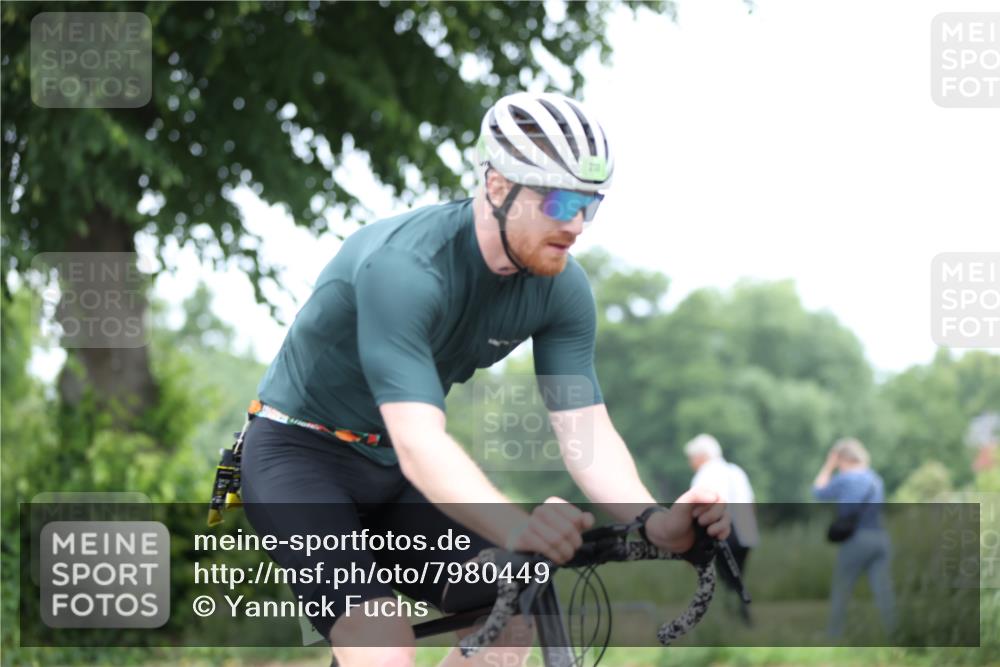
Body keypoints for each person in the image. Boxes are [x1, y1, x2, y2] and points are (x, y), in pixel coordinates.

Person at [239, 91, 731, 667]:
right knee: (385, 644)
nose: (575, 223)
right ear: (498, 186)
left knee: (509, 610)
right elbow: (421, 444)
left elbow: (586, 435)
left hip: (391, 474)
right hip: (301, 459)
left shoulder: (561, 289)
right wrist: (518, 526)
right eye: (558, 200)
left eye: (589, 204)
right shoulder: (405, 269)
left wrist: (653, 521)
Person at [812, 437, 896, 639]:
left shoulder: (846, 478)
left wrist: (828, 465)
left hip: (857, 540)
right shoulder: (876, 479)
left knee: (841, 588)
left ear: (842, 459)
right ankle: (895, 633)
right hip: (880, 539)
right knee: (883, 590)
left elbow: (818, 491)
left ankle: (833, 635)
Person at [684, 434, 758, 625]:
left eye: (692, 458)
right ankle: (741, 617)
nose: (691, 462)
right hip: (746, 532)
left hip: (724, 532)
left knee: (723, 580)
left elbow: (700, 508)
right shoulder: (736, 471)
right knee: (736, 578)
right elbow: (750, 503)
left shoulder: (705, 474)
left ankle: (732, 619)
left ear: (701, 456)